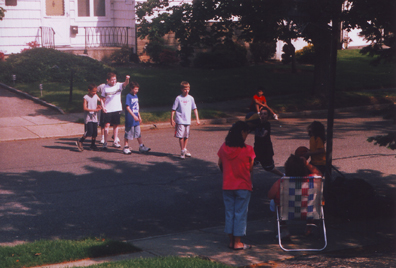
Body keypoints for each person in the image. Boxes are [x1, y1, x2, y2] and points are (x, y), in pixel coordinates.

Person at [217, 121, 255, 250]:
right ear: (242, 133)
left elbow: (219, 163)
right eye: (246, 133)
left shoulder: (223, 148)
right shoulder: (248, 149)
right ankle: (238, 242)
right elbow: (250, 167)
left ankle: (231, 240)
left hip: (227, 185)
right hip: (243, 185)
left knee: (229, 213)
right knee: (240, 213)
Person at [268, 154, 322, 238]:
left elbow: (270, 195)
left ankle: (284, 229)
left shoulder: (282, 182)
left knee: (273, 202)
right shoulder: (312, 179)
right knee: (311, 201)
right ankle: (309, 228)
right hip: (307, 211)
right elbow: (319, 173)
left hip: (287, 211)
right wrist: (307, 164)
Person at [170, 81, 200, 159]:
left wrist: (197, 119)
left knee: (186, 136)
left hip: (187, 120)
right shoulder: (178, 98)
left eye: (188, 89)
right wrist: (171, 119)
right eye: (185, 89)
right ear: (181, 89)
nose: (187, 91)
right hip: (180, 120)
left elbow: (195, 109)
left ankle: (185, 148)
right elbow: (173, 109)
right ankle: (182, 150)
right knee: (181, 136)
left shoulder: (191, 98)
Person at [100, 72, 130, 150]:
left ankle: (115, 141)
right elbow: (102, 99)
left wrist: (127, 79)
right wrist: (103, 107)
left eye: (115, 79)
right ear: (108, 80)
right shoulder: (105, 88)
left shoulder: (118, 85)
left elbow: (125, 84)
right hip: (108, 109)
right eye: (112, 80)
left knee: (115, 125)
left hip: (116, 109)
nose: (114, 81)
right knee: (106, 125)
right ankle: (105, 142)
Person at [254, 107, 284, 176]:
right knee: (249, 165)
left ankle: (283, 175)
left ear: (268, 116)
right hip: (257, 149)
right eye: (261, 114)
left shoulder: (267, 124)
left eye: (265, 114)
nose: (263, 116)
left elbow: (263, 134)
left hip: (265, 151)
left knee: (269, 168)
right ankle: (249, 184)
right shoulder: (256, 123)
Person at [123, 81, 151, 154]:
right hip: (130, 118)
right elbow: (127, 107)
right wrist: (133, 116)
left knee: (138, 133)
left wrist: (139, 116)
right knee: (128, 133)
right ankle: (126, 147)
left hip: (136, 118)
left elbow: (136, 107)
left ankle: (141, 146)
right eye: (135, 89)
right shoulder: (128, 96)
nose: (136, 91)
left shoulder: (136, 96)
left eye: (137, 89)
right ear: (131, 88)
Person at [76, 84, 102, 151]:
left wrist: (98, 106)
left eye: (96, 91)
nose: (95, 93)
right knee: (89, 131)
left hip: (94, 117)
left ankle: (93, 144)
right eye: (93, 91)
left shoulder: (96, 96)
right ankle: (80, 141)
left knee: (95, 133)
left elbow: (99, 101)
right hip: (88, 117)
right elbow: (85, 108)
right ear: (89, 90)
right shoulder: (86, 97)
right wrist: (94, 110)